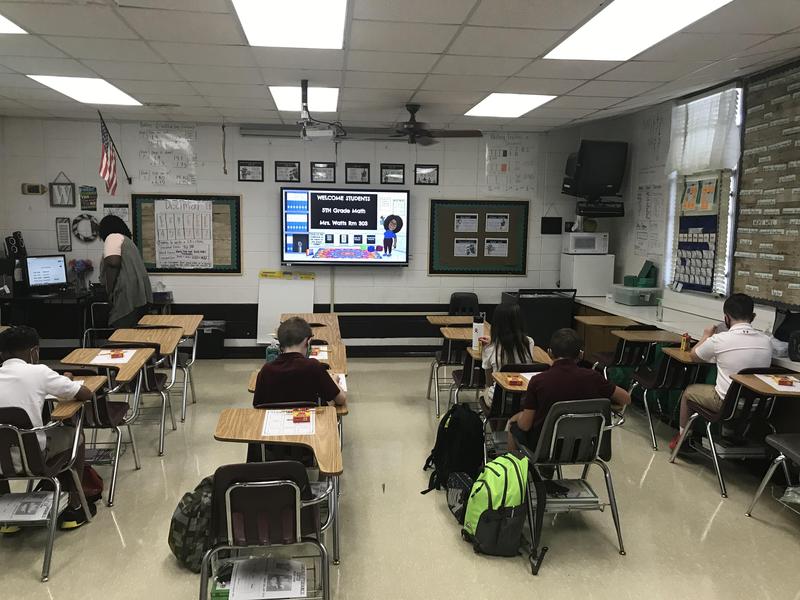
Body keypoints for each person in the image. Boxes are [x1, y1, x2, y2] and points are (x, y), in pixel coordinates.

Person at [0, 326, 96, 530]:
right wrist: (66, 381)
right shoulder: (39, 372)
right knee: (75, 435)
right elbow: (85, 394)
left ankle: (7, 522)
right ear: (33, 352)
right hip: (34, 460)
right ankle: (74, 508)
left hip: (1, 463)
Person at [670, 293, 773, 450]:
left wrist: (705, 335)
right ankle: (729, 436)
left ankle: (683, 440)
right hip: (759, 406)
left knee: (689, 392)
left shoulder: (720, 340)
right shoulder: (766, 341)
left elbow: (694, 356)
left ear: (726, 318)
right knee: (731, 389)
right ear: (753, 316)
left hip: (726, 405)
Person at [507, 328, 631, 452]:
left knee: (514, 425)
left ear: (549, 353)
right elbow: (626, 398)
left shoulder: (538, 381)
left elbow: (525, 425)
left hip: (545, 448)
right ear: (581, 354)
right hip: (582, 448)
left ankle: (512, 468)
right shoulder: (594, 377)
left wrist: (517, 417)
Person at [252, 317, 346, 408]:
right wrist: (333, 380)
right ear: (307, 341)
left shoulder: (266, 370)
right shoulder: (313, 366)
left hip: (274, 422)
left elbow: (257, 405)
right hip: (308, 422)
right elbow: (341, 400)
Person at [480, 302, 535, 413]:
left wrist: (493, 342)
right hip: (524, 399)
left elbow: (489, 381)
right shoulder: (529, 342)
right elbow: (512, 342)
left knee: (485, 391)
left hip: (499, 400)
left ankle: (497, 426)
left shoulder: (490, 348)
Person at [99, 215, 153, 328]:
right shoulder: (127, 241)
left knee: (121, 333)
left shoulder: (112, 237)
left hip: (126, 294)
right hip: (139, 295)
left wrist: (109, 291)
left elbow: (113, 263)